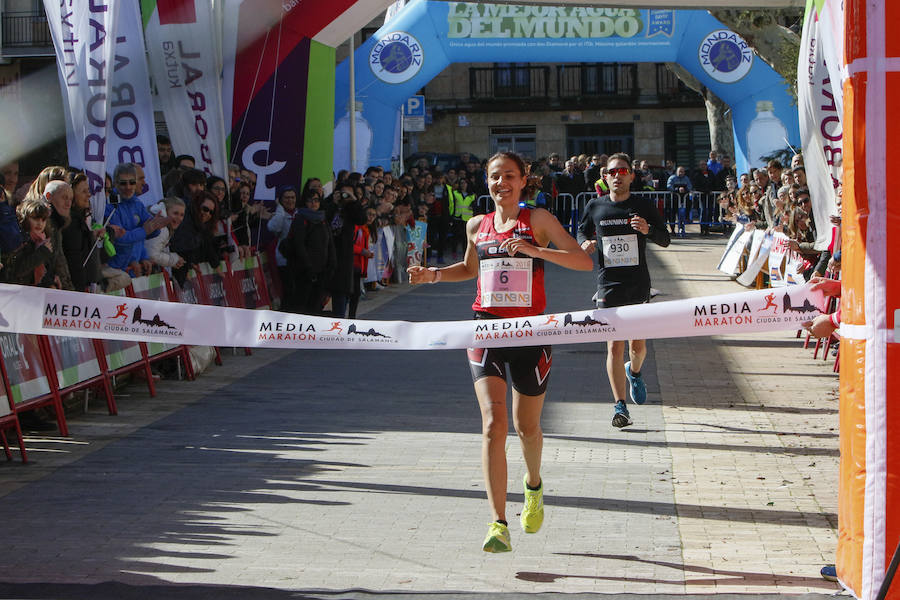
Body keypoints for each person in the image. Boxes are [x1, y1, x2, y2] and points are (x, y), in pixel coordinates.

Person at [408, 151, 592, 553]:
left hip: (530, 333)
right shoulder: (477, 224)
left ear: (524, 180)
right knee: (493, 425)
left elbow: (582, 260)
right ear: (487, 182)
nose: (501, 183)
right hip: (485, 329)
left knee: (527, 428)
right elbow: (471, 270)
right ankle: (497, 523)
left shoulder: (538, 220)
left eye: (509, 175)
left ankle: (533, 485)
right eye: (494, 177)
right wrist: (433, 275)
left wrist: (536, 252)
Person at [577, 153, 671, 429]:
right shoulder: (595, 206)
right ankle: (620, 406)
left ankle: (635, 371)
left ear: (631, 175)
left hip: (638, 284)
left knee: (637, 347)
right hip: (608, 285)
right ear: (605, 177)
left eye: (623, 170)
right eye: (612, 171)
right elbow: (581, 232)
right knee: (614, 345)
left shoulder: (642, 205)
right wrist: (584, 243)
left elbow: (665, 239)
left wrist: (648, 229)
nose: (617, 175)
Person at [105, 163, 168, 277]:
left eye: (132, 182)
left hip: (135, 269)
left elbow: (143, 235)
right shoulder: (110, 205)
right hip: (117, 269)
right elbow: (120, 239)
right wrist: (145, 230)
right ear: (115, 183)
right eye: (123, 183)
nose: (128, 187)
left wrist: (156, 226)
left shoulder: (136, 203)